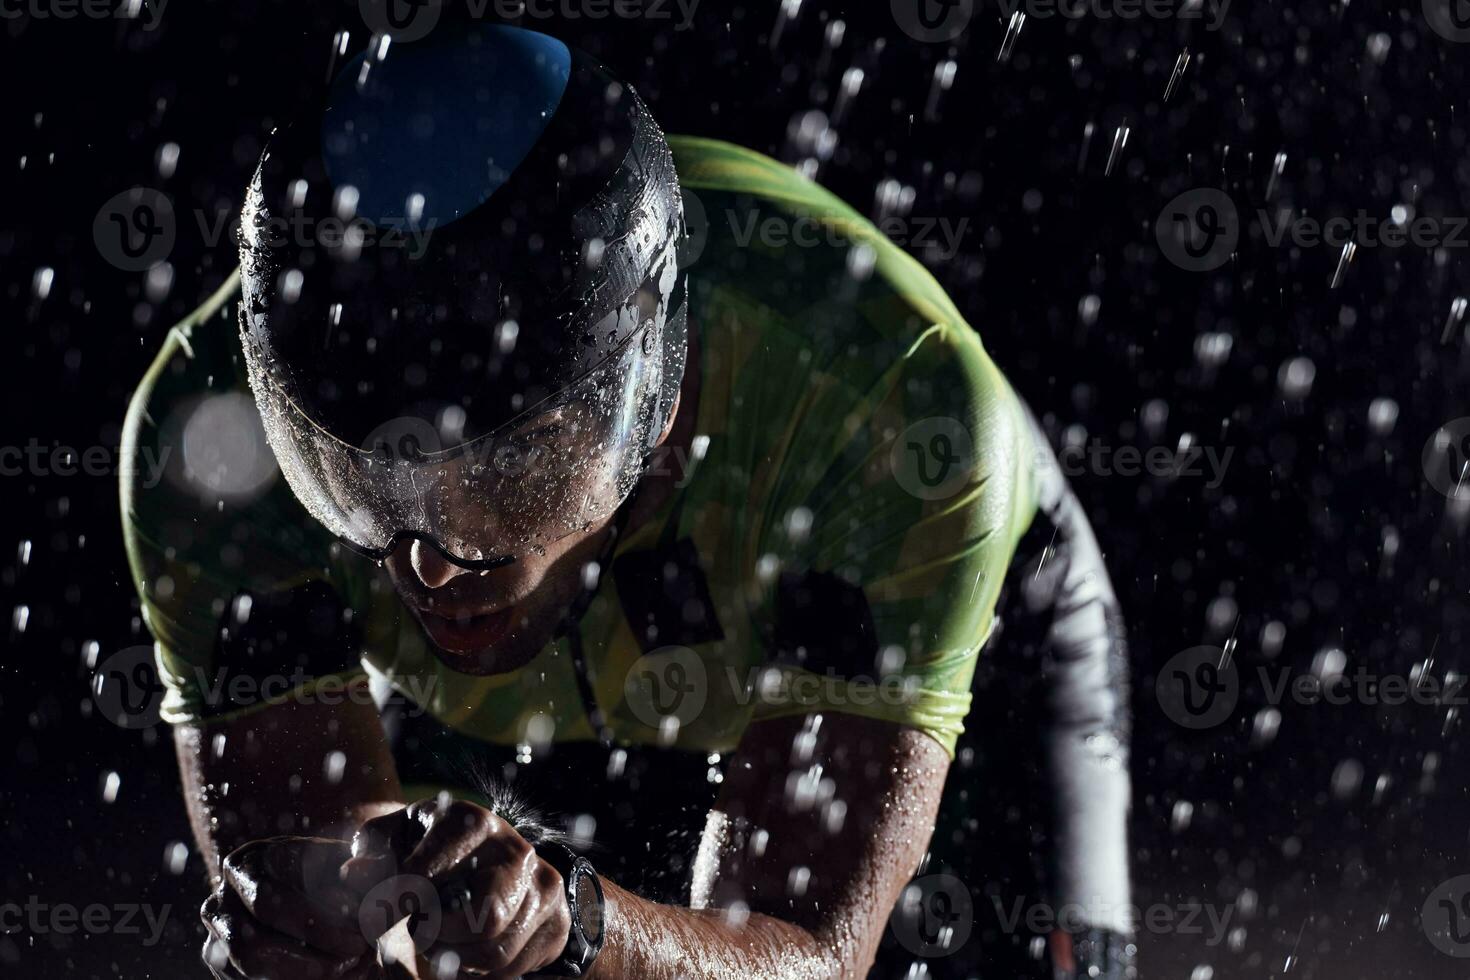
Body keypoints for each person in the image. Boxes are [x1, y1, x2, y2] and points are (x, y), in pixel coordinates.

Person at [119, 23, 1134, 979]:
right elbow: (347, 931)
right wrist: (324, 917)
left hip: (961, 636)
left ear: (648, 390)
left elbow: (810, 952)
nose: (427, 565)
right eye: (354, 478)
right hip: (619, 632)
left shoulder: (894, 411)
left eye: (508, 471)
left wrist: (580, 924)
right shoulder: (207, 435)